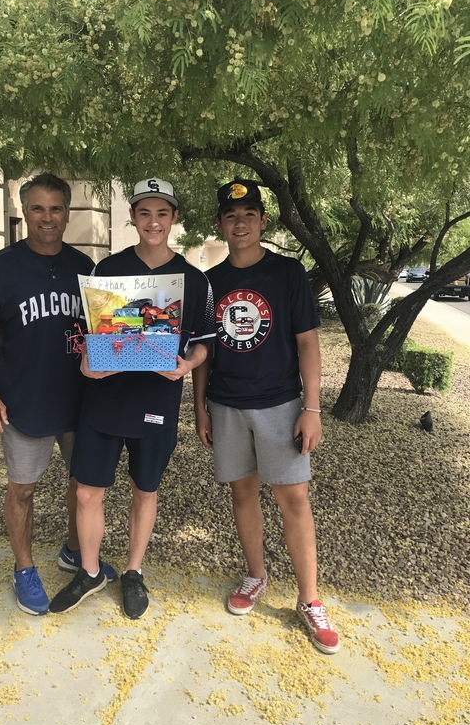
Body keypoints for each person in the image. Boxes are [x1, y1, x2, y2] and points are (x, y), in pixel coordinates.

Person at [49, 178, 215, 619]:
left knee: (145, 490)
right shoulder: (106, 270)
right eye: (145, 213)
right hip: (104, 396)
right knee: (87, 492)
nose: (154, 222)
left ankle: (133, 571)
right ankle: (89, 571)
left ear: (174, 218)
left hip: (157, 399)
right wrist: (88, 360)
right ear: (133, 217)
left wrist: (185, 366)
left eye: (162, 213)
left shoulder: (194, 280)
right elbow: (91, 333)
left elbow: (203, 344)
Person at [192, 177, 340, 655]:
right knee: (243, 492)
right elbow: (204, 353)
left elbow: (307, 343)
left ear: (263, 222)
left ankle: (309, 599)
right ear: (220, 223)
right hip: (227, 403)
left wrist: (312, 408)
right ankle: (255, 576)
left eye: (249, 216)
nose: (240, 224)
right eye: (231, 217)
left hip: (280, 403)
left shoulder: (288, 274)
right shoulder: (209, 283)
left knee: (294, 498)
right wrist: (200, 409)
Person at [0, 173, 117, 617]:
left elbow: (109, 333)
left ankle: (72, 550)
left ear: (68, 213)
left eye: (56, 209)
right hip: (23, 401)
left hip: (81, 401)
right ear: (24, 211)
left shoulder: (87, 269)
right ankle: (25, 568)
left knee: (82, 486)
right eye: (37, 208)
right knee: (23, 490)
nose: (47, 217)